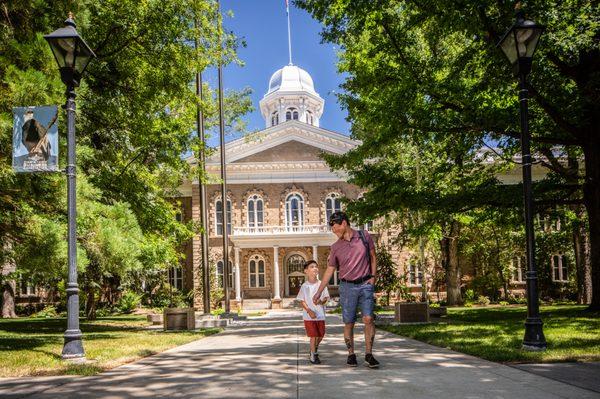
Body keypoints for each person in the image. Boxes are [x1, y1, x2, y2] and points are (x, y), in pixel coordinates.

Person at [313, 211, 380, 368]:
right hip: (347, 287)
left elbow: (373, 257)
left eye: (335, 227)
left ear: (344, 223)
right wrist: (319, 291)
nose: (333, 231)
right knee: (349, 322)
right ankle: (351, 354)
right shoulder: (335, 247)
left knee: (368, 319)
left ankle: (369, 354)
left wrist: (373, 277)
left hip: (365, 285)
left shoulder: (364, 236)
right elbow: (330, 270)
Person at [297, 260, 330, 365]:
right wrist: (309, 310)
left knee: (321, 335)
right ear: (306, 271)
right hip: (309, 316)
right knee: (313, 335)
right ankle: (313, 355)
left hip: (320, 314)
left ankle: (313, 348)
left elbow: (326, 298)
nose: (315, 268)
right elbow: (302, 300)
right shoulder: (305, 286)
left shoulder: (321, 284)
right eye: (312, 267)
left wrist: (321, 301)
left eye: (316, 266)